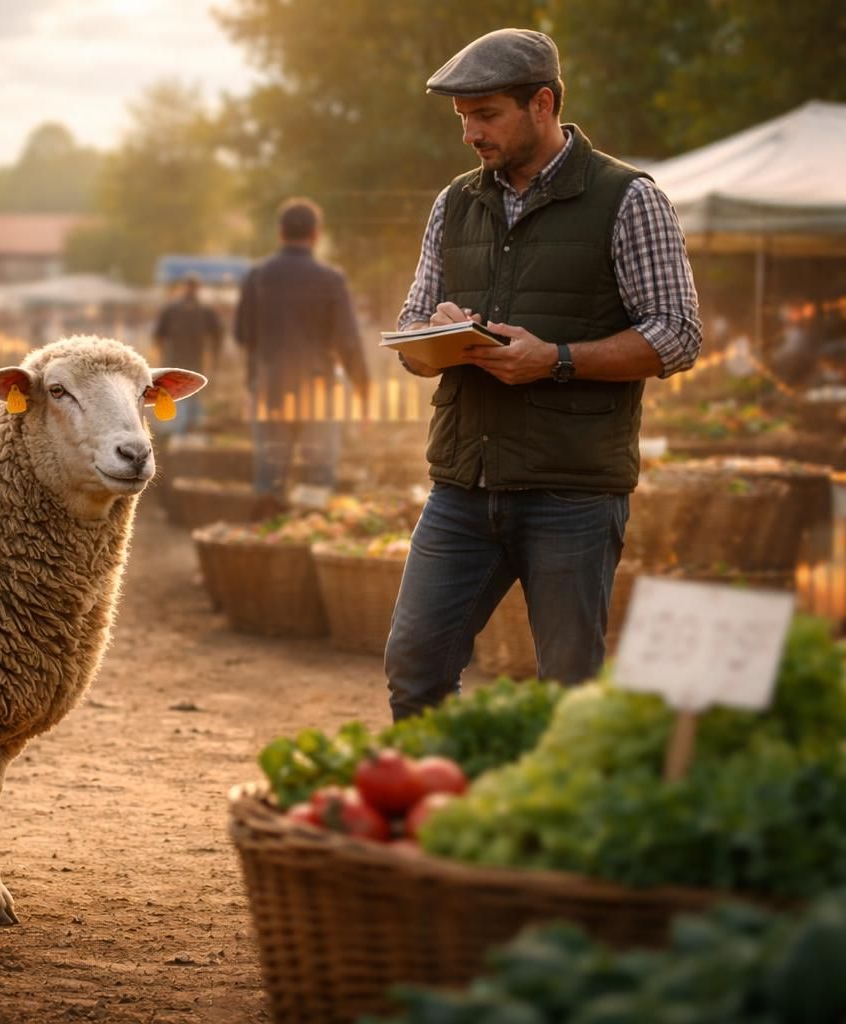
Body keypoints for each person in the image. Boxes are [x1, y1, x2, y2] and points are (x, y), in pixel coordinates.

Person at [383, 28, 702, 720]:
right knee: (415, 670)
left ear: (543, 103)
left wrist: (554, 360)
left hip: (572, 492)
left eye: (486, 113)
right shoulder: (454, 203)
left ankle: (558, 825)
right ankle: (443, 821)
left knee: (568, 694)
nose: (470, 132)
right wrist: (435, 335)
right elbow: (410, 335)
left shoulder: (629, 198)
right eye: (462, 116)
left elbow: (677, 336)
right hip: (463, 486)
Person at [233, 198, 369, 497]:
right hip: (317, 390)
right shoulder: (331, 279)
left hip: (269, 387)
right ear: (316, 234)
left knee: (270, 477)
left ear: (281, 232)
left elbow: (242, 334)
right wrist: (362, 390)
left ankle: (268, 536)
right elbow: (348, 341)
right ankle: (306, 538)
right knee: (316, 479)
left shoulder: (257, 276)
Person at [151, 273, 223, 434]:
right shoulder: (202, 310)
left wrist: (161, 354)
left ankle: (181, 429)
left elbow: (158, 335)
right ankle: (185, 428)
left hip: (181, 359)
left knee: (181, 394)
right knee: (188, 393)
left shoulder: (174, 309)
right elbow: (217, 334)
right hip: (187, 359)